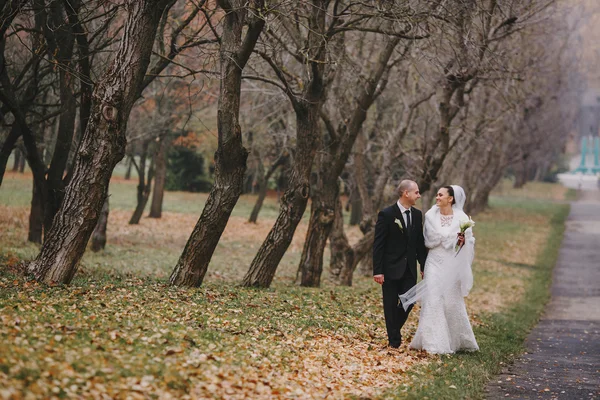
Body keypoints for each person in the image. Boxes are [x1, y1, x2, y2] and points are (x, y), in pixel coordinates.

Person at [400, 185, 479, 354]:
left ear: (450, 199)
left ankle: (458, 339)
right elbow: (427, 239)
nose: (437, 197)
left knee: (451, 302)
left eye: (440, 195)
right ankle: (434, 343)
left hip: (452, 263)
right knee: (433, 300)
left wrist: (461, 241)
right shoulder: (430, 215)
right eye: (437, 195)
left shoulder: (462, 218)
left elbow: (468, 243)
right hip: (434, 262)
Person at [373, 180, 427, 348]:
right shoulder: (387, 214)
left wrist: (423, 265)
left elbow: (419, 243)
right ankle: (394, 341)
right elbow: (378, 244)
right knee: (390, 304)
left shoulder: (417, 215)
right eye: (416, 192)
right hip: (390, 269)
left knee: (409, 301)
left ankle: (393, 328)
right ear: (406, 193)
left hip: (409, 269)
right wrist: (378, 270)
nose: (419, 195)